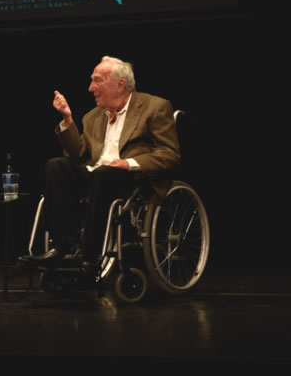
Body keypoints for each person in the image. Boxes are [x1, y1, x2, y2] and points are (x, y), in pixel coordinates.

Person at [22, 56, 180, 268]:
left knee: (104, 173)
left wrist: (129, 163)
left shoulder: (155, 107)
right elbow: (77, 156)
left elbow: (170, 153)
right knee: (56, 165)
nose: (90, 88)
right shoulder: (92, 116)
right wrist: (68, 121)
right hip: (96, 175)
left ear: (120, 84)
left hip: (131, 179)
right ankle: (61, 246)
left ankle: (90, 254)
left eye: (96, 81)